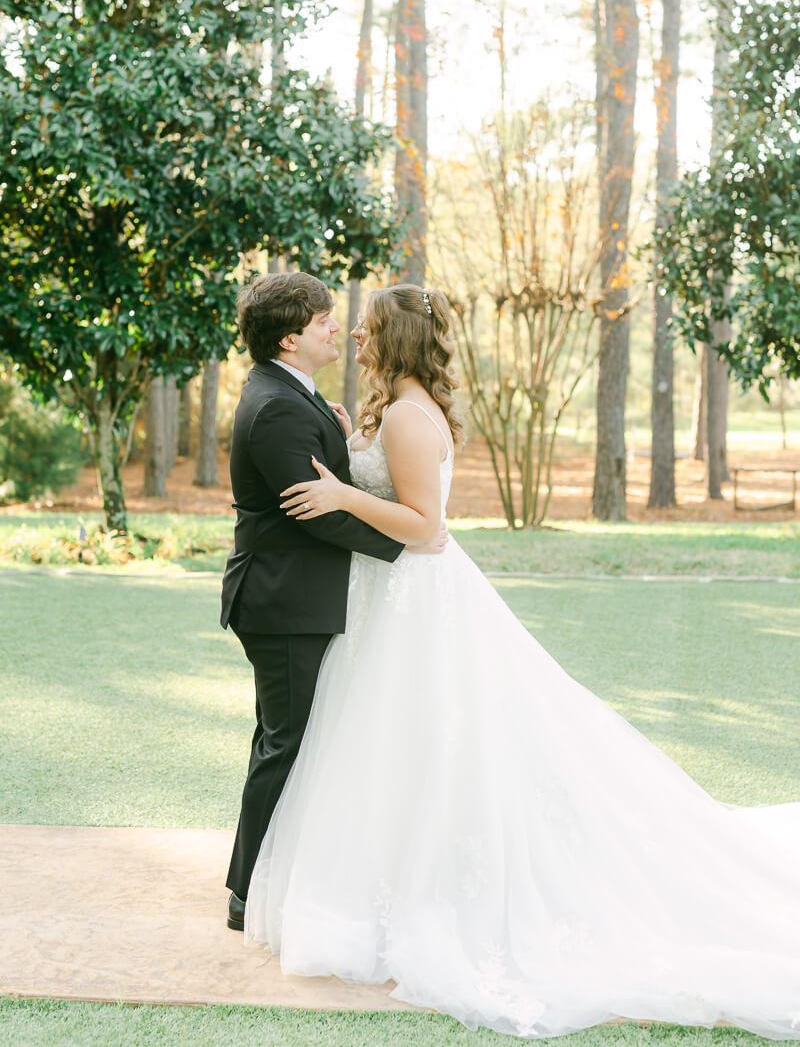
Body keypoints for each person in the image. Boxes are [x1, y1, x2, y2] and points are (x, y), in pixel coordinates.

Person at [243, 282, 800, 1040]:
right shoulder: (397, 410)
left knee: (420, 742)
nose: (358, 340)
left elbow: (425, 527)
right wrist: (347, 446)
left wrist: (342, 490)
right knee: (394, 748)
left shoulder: (410, 415)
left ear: (398, 340)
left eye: (369, 330)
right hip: (390, 598)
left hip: (414, 595)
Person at [220, 272, 445, 933]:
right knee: (286, 742)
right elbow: (311, 510)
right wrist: (406, 545)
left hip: (299, 593)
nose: (336, 330)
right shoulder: (279, 402)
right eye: (323, 322)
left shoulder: (297, 394)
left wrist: (346, 453)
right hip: (284, 598)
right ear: (291, 338)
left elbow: (326, 477)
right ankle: (247, 889)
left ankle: (267, 876)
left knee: (294, 737)